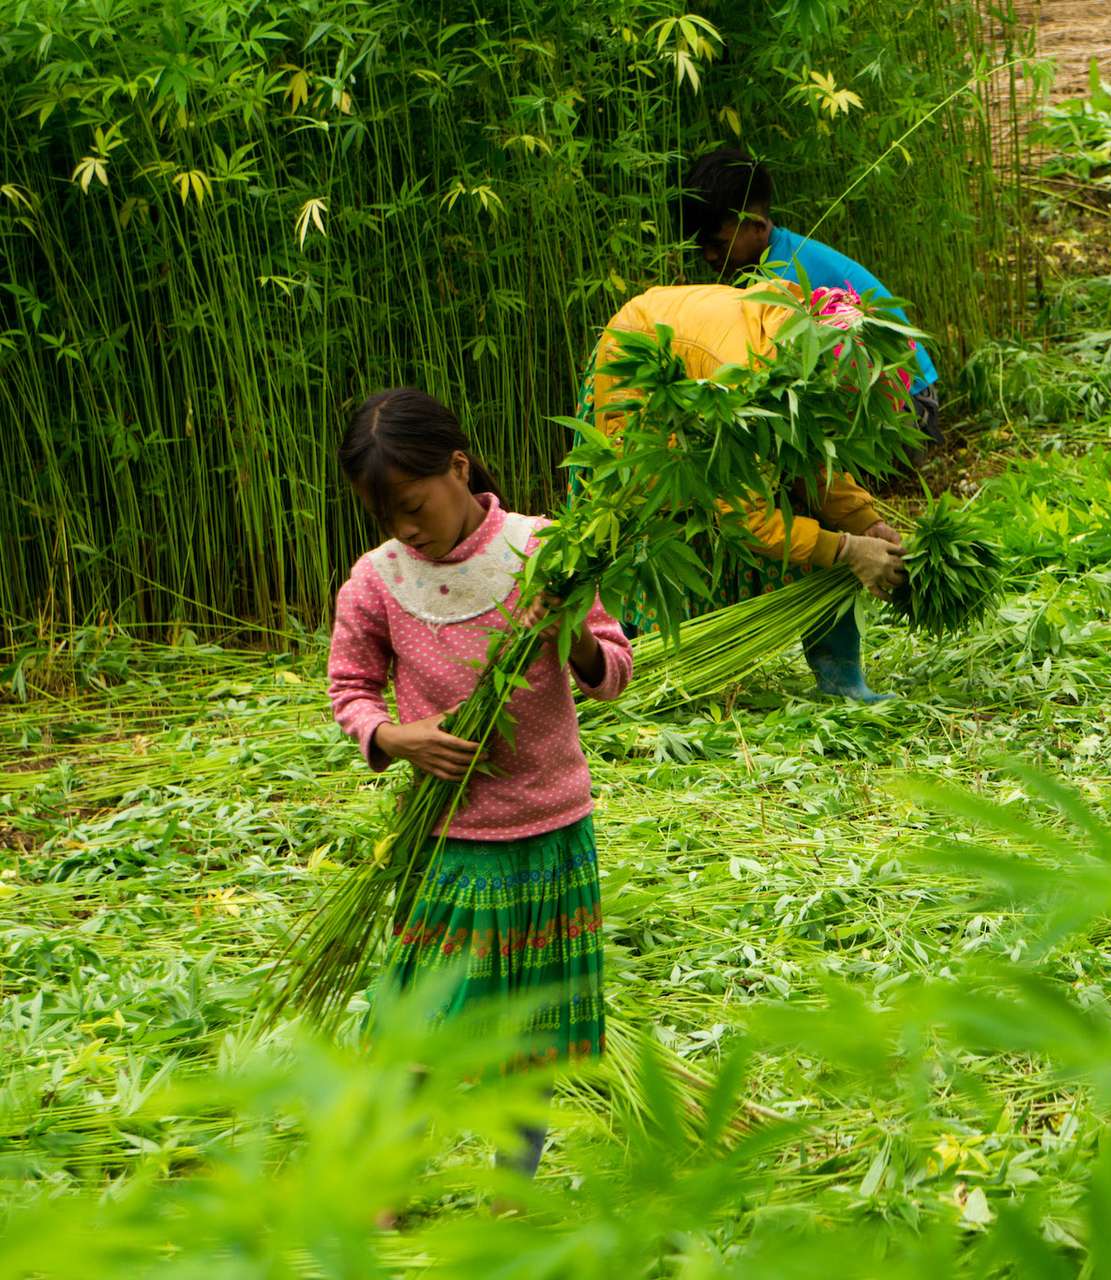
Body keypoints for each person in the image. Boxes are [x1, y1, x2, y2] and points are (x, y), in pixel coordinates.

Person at [328, 388, 633, 1181]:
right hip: (449, 842)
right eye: (384, 512)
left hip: (548, 831)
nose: (404, 526)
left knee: (530, 1038)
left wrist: (571, 637)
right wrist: (395, 737)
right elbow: (350, 689)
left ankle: (512, 1188)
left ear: (457, 467)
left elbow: (613, 671)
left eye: (412, 503)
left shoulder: (546, 553)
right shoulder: (377, 581)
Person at [585, 281, 907, 702]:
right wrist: (847, 549)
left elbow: (812, 462)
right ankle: (633, 673)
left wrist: (868, 524)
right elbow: (745, 518)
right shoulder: (748, 378)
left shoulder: (808, 359)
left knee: (807, 506)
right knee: (658, 512)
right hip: (643, 360)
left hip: (708, 365)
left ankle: (841, 679)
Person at [678, 146, 943, 451]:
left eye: (718, 244)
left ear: (758, 226)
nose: (709, 255)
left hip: (906, 408)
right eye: (702, 246)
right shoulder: (774, 258)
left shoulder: (782, 280)